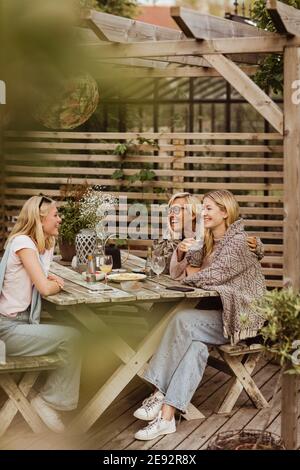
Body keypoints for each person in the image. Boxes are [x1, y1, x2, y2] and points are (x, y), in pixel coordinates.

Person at [133, 190, 266, 441]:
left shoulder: (238, 243)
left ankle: (159, 391)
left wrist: (180, 283)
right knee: (195, 348)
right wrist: (196, 238)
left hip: (244, 319)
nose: (202, 213)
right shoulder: (210, 240)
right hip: (221, 314)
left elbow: (212, 277)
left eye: (208, 209)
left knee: (182, 320)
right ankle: (167, 417)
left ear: (225, 212)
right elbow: (192, 263)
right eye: (202, 208)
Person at [0, 195, 81, 433]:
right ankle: (47, 401)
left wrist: (47, 276)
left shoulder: (37, 244)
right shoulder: (23, 243)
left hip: (17, 324)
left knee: (72, 332)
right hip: (6, 330)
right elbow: (45, 288)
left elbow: (38, 278)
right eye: (56, 214)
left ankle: (49, 397)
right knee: (74, 338)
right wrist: (58, 284)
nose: (60, 219)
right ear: (40, 217)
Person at [153, 192, 264, 274]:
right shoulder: (170, 239)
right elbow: (159, 269)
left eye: (177, 210)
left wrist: (257, 247)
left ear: (192, 214)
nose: (171, 215)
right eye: (170, 211)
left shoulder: (206, 234)